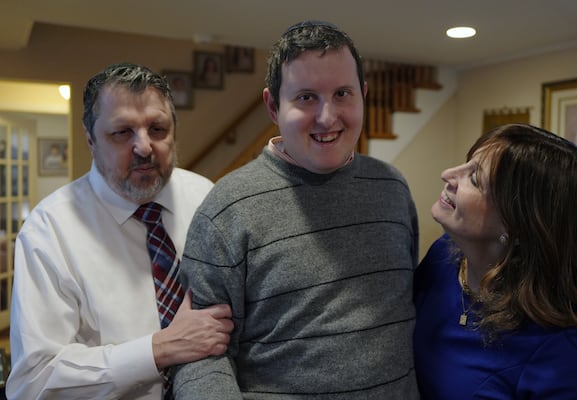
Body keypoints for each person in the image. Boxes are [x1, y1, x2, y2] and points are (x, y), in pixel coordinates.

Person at [172, 20, 420, 399]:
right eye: (306, 97)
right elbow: (199, 356)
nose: (327, 116)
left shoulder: (393, 189)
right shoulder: (227, 209)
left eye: (342, 94)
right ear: (273, 106)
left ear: (363, 95)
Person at [6, 63, 234, 399]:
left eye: (157, 129)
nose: (144, 147)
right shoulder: (48, 231)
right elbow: (33, 383)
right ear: (90, 141)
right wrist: (159, 350)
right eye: (122, 132)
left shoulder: (207, 198)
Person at [414, 123, 577, 399]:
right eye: (467, 164)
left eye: (475, 179)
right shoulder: (443, 256)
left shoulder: (558, 349)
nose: (448, 175)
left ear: (518, 225)